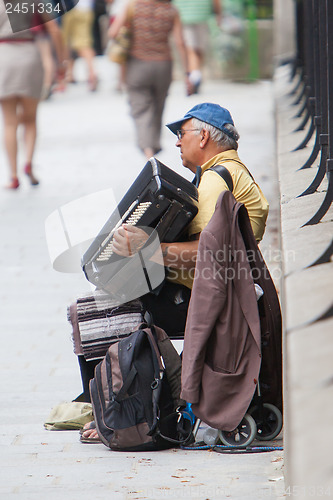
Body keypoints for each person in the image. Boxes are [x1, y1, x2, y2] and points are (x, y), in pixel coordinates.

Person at [80, 102, 269, 442]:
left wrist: (148, 249)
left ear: (205, 135)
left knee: (98, 313)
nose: (178, 143)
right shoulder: (233, 172)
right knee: (103, 306)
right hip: (228, 299)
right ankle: (107, 405)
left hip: (211, 305)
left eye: (181, 134)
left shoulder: (214, 181)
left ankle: (117, 414)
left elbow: (209, 257)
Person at [108, 0, 190, 159]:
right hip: (163, 65)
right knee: (158, 106)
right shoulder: (171, 10)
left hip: (137, 64)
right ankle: (154, 144)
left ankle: (148, 150)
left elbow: (113, 32)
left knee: (140, 108)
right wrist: (187, 72)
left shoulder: (133, 6)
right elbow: (180, 41)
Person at [0, 6, 66, 189]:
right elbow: (54, 29)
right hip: (30, 56)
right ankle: (28, 162)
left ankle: (13, 175)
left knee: (9, 123)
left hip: (3, 58)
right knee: (30, 119)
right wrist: (61, 61)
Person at [173, 0, 222, 95]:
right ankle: (195, 76)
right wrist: (219, 13)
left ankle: (194, 76)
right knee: (194, 49)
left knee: (194, 50)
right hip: (198, 14)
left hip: (186, 14)